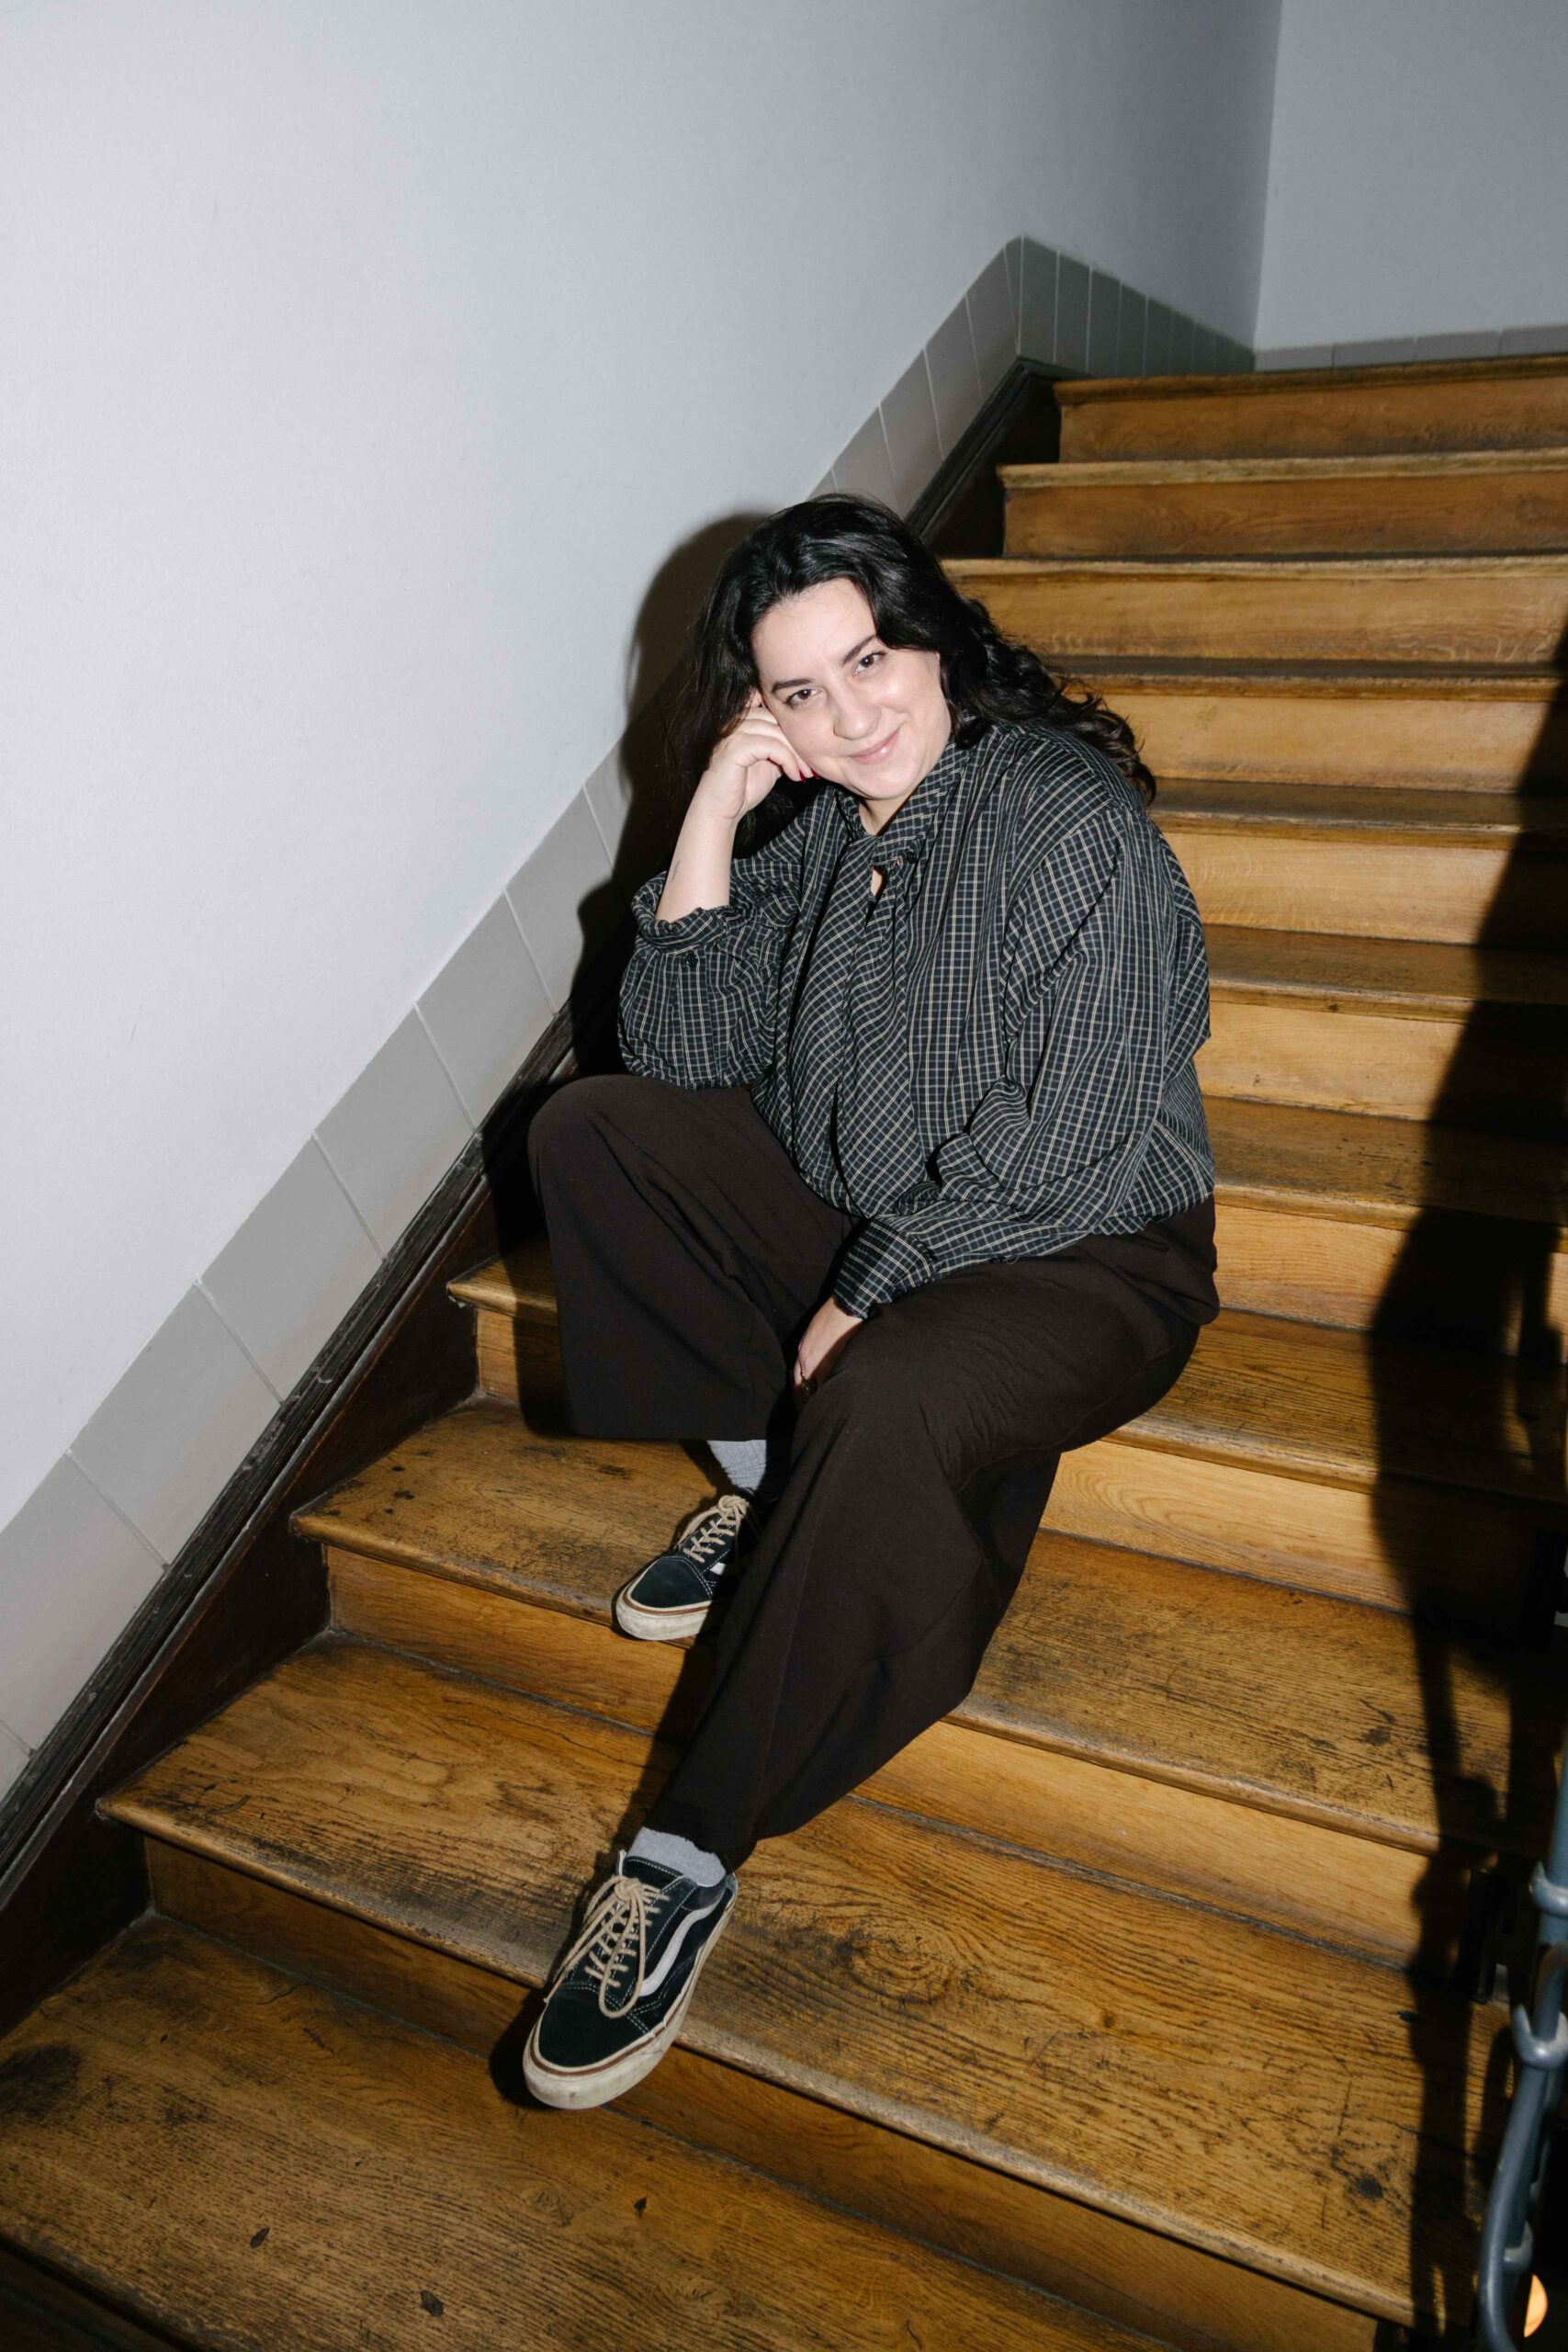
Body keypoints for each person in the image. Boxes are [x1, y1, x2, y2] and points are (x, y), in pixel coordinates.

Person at [521, 492, 1218, 2110]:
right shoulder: (834, 830)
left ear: (936, 638)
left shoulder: (1064, 817)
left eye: (871, 658)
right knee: (592, 1130)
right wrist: (714, 812)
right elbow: (677, 1050)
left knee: (892, 1390)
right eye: (800, 692)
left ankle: (689, 1853)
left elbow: (1079, 1134)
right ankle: (772, 1488)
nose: (852, 714)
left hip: (1086, 1245)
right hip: (877, 1205)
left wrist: (872, 1287)